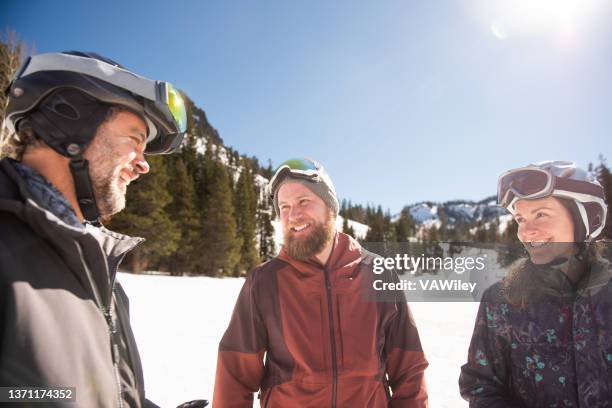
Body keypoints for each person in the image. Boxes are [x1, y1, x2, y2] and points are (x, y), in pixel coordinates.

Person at [0, 51, 206, 407]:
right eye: (135, 140)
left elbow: (94, 394)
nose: (143, 166)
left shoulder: (98, 272)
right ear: (71, 119)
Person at [213, 158, 428, 407]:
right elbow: (234, 376)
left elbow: (409, 368)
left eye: (304, 201)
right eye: (284, 207)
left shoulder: (378, 273)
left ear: (330, 207)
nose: (293, 215)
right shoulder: (264, 282)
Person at [459, 161, 610, 407]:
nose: (526, 232)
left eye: (541, 214)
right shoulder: (501, 301)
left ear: (585, 219)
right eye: (520, 218)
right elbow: (480, 385)